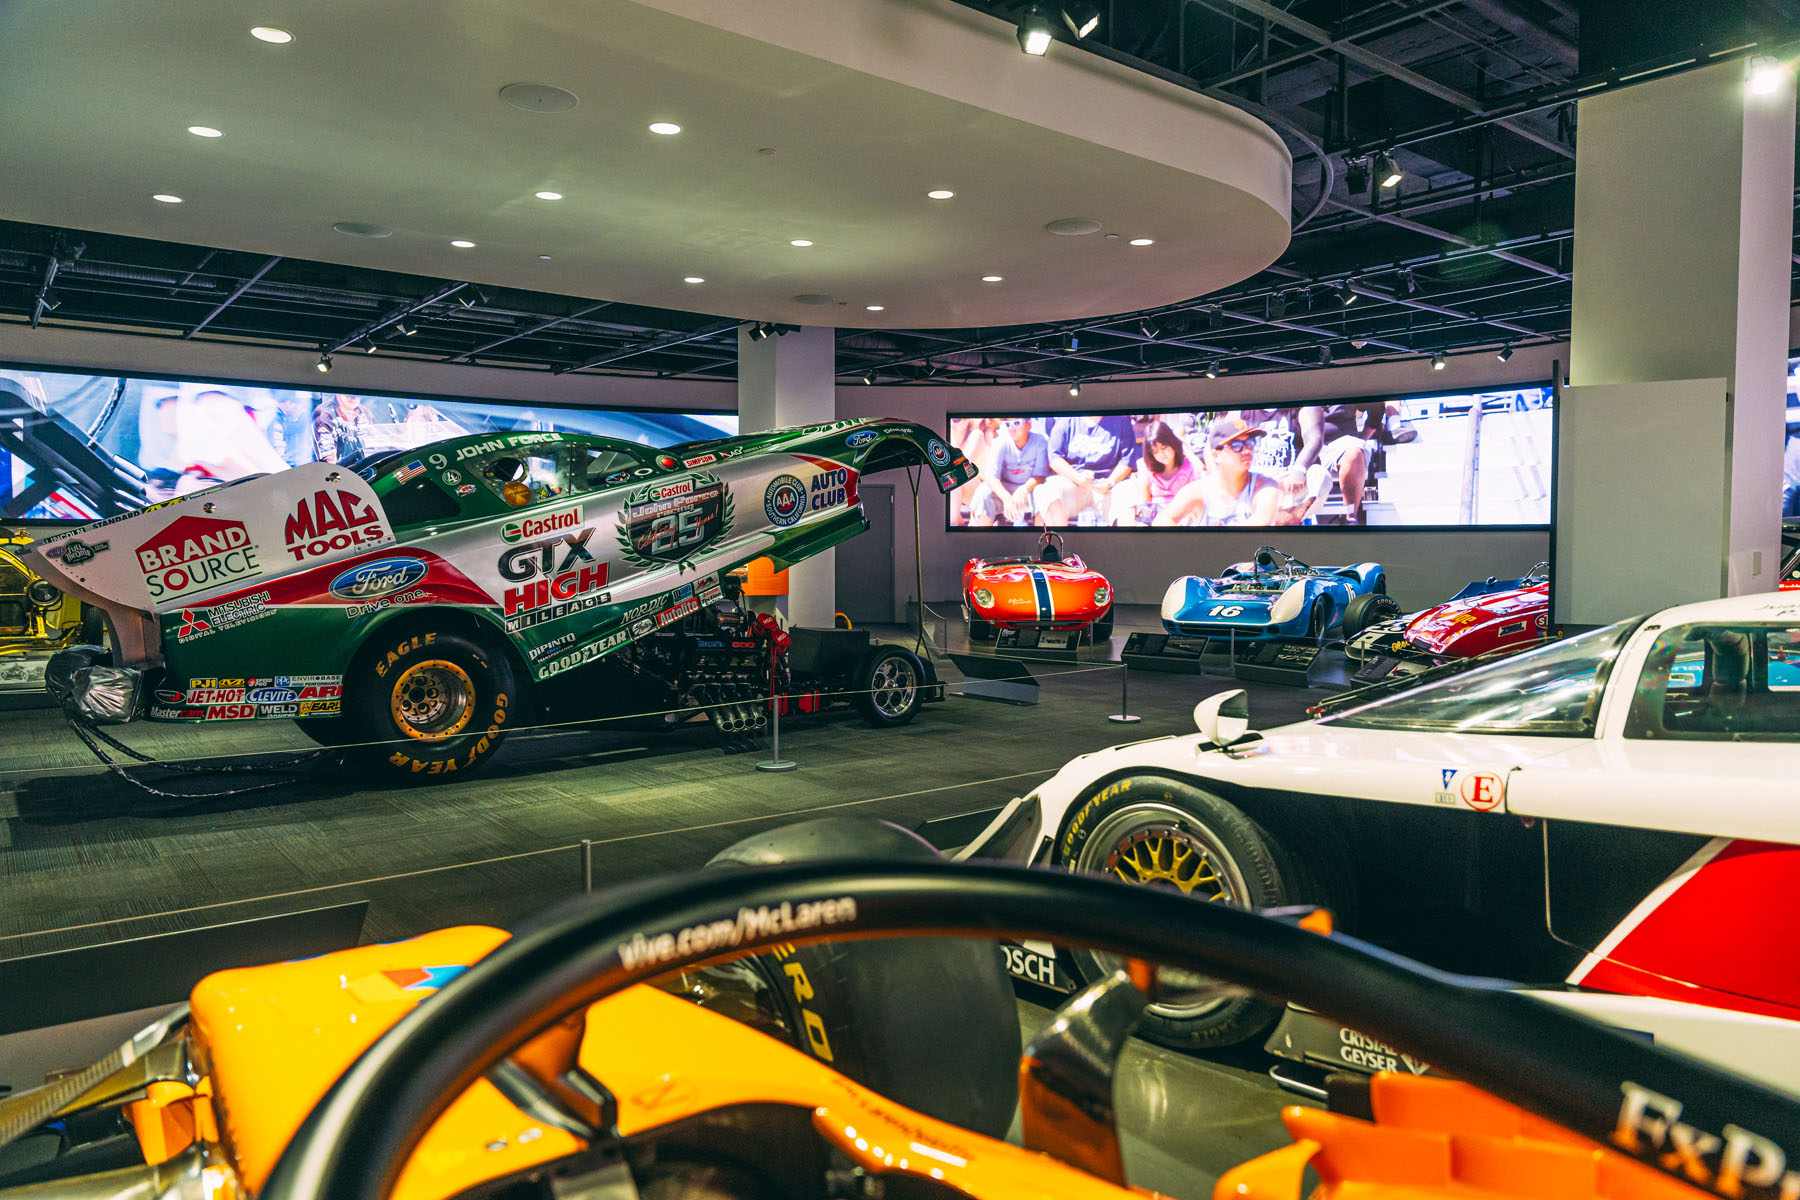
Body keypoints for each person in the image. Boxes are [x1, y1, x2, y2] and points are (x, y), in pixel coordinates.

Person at [1155, 415, 1280, 527]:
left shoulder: (1265, 487)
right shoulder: (1199, 490)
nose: (1247, 450)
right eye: (1236, 446)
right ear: (1216, 455)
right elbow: (1162, 519)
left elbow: (1262, 522)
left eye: (1250, 443)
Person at [1038, 414, 1138, 526]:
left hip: (1108, 486)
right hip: (1073, 484)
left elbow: (1127, 461)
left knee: (1128, 490)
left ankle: (1125, 536)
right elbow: (1055, 458)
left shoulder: (1121, 422)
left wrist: (1110, 482)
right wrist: (1079, 478)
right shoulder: (1065, 421)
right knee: (1049, 489)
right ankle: (1059, 536)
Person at [1292, 402, 1382, 525]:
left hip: (1338, 444)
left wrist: (1363, 437)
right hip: (1300, 445)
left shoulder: (1344, 392)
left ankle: (1350, 516)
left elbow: (1377, 408)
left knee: (1354, 451)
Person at [968, 418, 1052, 526]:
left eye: (1017, 423)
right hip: (1006, 489)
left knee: (1045, 493)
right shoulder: (1000, 441)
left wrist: (1023, 490)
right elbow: (991, 477)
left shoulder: (1041, 440)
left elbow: (1040, 476)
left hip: (1030, 489)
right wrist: (1006, 498)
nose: (1012, 428)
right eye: (1008, 424)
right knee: (983, 492)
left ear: (1028, 424)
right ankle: (982, 534)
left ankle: (1041, 535)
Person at [1113, 419, 1195, 525]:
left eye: (1164, 448)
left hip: (1180, 517)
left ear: (1172, 444)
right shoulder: (1146, 467)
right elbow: (1143, 501)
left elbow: (1194, 504)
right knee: (1125, 519)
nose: (1161, 454)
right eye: (1155, 452)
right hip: (1153, 516)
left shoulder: (1189, 467)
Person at [313, 392, 370, 464]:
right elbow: (328, 458)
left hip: (362, 466)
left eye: (357, 394)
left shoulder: (365, 413)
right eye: (348, 395)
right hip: (331, 468)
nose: (353, 398)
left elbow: (372, 447)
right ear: (338, 394)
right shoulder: (324, 416)